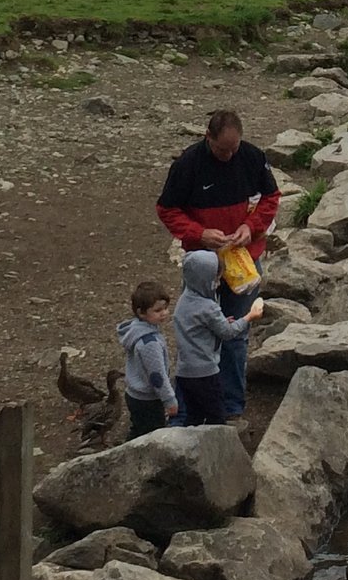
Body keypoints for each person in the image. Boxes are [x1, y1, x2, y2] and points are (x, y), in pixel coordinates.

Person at [156, 110, 280, 418]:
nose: (228, 155)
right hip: (203, 264)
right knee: (196, 332)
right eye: (222, 149)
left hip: (243, 260)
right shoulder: (188, 164)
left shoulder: (251, 156)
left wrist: (250, 227)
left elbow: (271, 197)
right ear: (207, 137)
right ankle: (190, 407)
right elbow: (167, 209)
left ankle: (231, 406)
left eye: (233, 148)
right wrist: (199, 233)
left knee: (235, 335)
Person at [171, 249, 263, 424]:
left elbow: (200, 325)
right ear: (205, 279)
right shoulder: (208, 307)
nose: (219, 283)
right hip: (206, 372)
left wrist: (220, 322)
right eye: (216, 279)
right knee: (217, 416)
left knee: (194, 415)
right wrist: (249, 317)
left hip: (184, 371)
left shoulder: (184, 301)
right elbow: (228, 334)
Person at [119, 280, 177, 436]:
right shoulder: (149, 342)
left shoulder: (137, 330)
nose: (164, 313)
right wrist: (169, 400)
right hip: (147, 399)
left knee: (139, 428)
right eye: (158, 310)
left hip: (135, 394)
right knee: (151, 434)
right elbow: (156, 376)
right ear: (141, 312)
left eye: (165, 308)